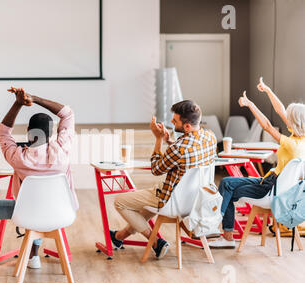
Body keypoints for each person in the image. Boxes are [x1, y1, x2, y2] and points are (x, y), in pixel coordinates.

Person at [0, 87, 78, 278]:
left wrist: (18, 103)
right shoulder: (63, 149)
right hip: (62, 212)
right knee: (41, 203)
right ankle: (33, 257)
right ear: (53, 134)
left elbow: (3, 132)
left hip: (29, 214)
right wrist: (35, 98)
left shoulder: (18, 157)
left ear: (28, 132)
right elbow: (67, 113)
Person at [109, 100, 217, 259]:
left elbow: (156, 169)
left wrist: (158, 139)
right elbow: (187, 155)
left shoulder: (178, 148)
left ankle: (156, 242)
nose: (171, 123)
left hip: (171, 201)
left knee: (120, 201)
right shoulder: (210, 137)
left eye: (175, 121)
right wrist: (168, 141)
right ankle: (118, 237)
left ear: (187, 126)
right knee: (143, 209)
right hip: (197, 201)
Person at [210, 77, 305, 249]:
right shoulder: (301, 140)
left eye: (289, 118)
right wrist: (267, 90)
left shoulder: (292, 144)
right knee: (228, 187)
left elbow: (268, 126)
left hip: (270, 189)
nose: (286, 118)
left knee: (226, 185)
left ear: (295, 121)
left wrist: (250, 104)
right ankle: (224, 232)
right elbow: (281, 110)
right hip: (279, 189)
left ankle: (216, 227)